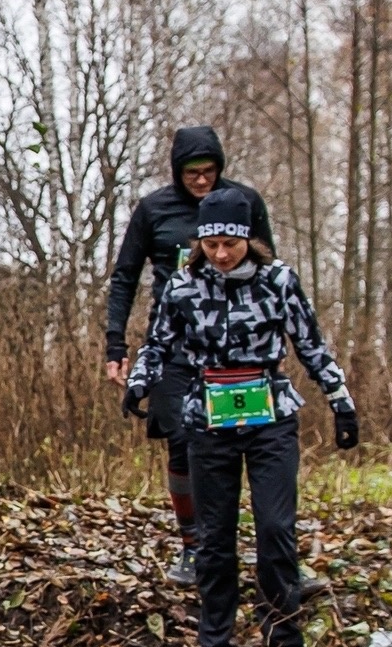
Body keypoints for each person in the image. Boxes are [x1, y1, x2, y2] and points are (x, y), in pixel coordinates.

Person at [123, 186, 355, 647]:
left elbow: (310, 344)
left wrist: (340, 400)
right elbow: (158, 343)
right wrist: (139, 382)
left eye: (231, 243)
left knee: (275, 528)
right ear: (200, 243)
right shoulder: (183, 288)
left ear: (248, 238)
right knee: (214, 539)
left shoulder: (278, 282)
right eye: (212, 245)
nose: (222, 254)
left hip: (271, 417)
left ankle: (283, 645)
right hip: (208, 418)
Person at [103, 128, 275, 586]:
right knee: (181, 439)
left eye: (209, 172)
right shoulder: (154, 209)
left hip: (235, 347)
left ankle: (259, 550)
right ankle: (193, 546)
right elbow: (125, 277)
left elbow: (267, 270)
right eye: (191, 173)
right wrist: (116, 347)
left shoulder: (245, 202)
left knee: (242, 444)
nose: (201, 181)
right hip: (172, 344)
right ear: (176, 173)